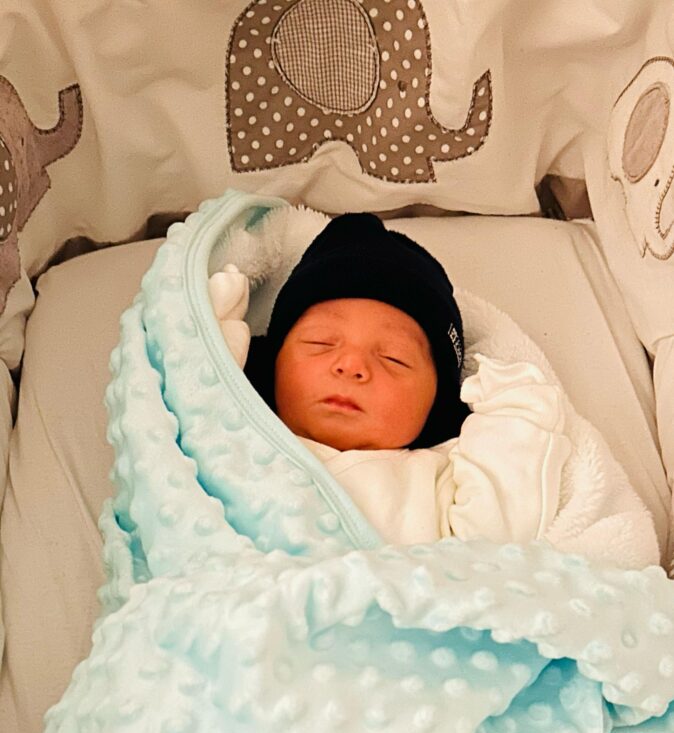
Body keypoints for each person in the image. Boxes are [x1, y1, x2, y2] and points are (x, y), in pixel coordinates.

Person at [209, 213, 660, 564]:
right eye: (321, 343)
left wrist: (516, 420)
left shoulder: (442, 475)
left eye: (394, 358)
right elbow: (189, 414)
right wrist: (208, 341)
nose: (351, 365)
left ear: (436, 402)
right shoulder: (233, 435)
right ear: (273, 361)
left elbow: (498, 548)